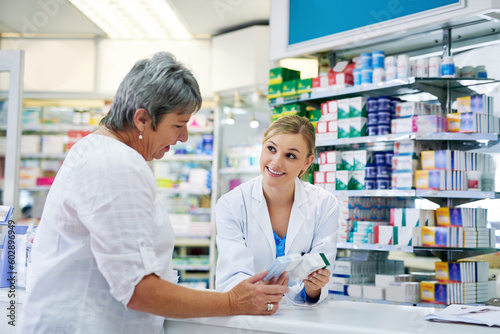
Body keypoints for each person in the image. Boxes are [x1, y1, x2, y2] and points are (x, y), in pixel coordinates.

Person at [17, 52, 288, 334]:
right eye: (179, 125)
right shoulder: (114, 164)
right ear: (143, 119)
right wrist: (232, 302)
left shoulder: (104, 153)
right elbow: (139, 290)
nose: (183, 137)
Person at [215, 115, 339, 305]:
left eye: (291, 156)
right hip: (248, 315)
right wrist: (258, 293)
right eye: (271, 149)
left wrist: (313, 287)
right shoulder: (231, 204)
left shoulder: (324, 204)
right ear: (262, 146)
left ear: (306, 162)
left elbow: (318, 278)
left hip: (301, 318)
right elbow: (232, 275)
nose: (276, 162)